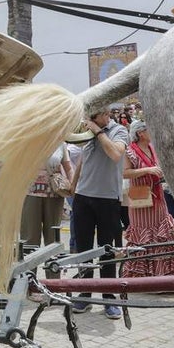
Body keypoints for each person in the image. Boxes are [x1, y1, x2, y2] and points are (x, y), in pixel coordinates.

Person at [67, 108, 130, 319]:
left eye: (99, 115)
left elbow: (115, 154)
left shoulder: (118, 131)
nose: (93, 120)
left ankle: (109, 299)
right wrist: (73, 186)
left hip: (108, 199)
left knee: (107, 249)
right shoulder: (89, 134)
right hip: (83, 197)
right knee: (84, 249)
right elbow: (83, 161)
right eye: (92, 117)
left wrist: (98, 132)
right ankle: (84, 295)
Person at [123, 120, 174, 278]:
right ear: (140, 133)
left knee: (163, 231)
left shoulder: (152, 148)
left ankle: (164, 274)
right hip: (140, 197)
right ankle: (144, 276)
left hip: (157, 197)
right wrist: (147, 170)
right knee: (144, 234)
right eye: (149, 129)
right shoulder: (130, 151)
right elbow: (125, 173)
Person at [21, 143, 73, 247]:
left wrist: (72, 186)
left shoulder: (60, 144)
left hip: (54, 193)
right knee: (29, 237)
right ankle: (29, 261)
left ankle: (52, 261)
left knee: (52, 237)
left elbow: (68, 168)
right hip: (30, 193)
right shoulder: (28, 141)